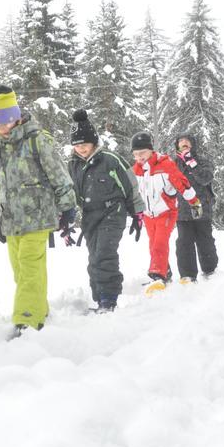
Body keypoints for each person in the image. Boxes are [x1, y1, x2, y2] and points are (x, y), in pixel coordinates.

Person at [0, 86, 76, 338]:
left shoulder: (36, 140)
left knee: (30, 266)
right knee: (21, 271)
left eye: (6, 119)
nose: (2, 126)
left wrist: (67, 207)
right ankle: (40, 308)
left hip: (38, 216)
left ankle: (28, 319)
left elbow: (59, 174)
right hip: (11, 220)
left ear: (16, 115)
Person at [68, 110, 145, 311]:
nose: (81, 149)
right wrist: (65, 218)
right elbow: (70, 192)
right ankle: (99, 297)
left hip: (113, 212)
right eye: (77, 145)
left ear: (94, 142)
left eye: (84, 144)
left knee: (104, 253)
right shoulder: (73, 164)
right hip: (89, 216)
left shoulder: (110, 160)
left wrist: (137, 213)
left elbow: (130, 185)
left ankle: (108, 300)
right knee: (94, 257)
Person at [130, 131, 202, 289]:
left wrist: (194, 201)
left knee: (160, 244)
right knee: (153, 244)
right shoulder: (135, 170)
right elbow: (131, 193)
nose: (139, 157)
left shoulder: (165, 164)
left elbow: (182, 183)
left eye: (142, 153)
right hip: (149, 214)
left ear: (151, 150)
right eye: (136, 154)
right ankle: (166, 271)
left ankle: (157, 275)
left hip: (166, 212)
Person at [172, 133, 218, 282]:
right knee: (184, 242)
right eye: (181, 141)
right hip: (182, 209)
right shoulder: (173, 163)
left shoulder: (203, 161)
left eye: (187, 141)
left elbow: (206, 178)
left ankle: (210, 270)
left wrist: (192, 163)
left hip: (202, 206)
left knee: (205, 240)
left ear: (193, 144)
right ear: (177, 145)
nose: (184, 143)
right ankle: (187, 275)